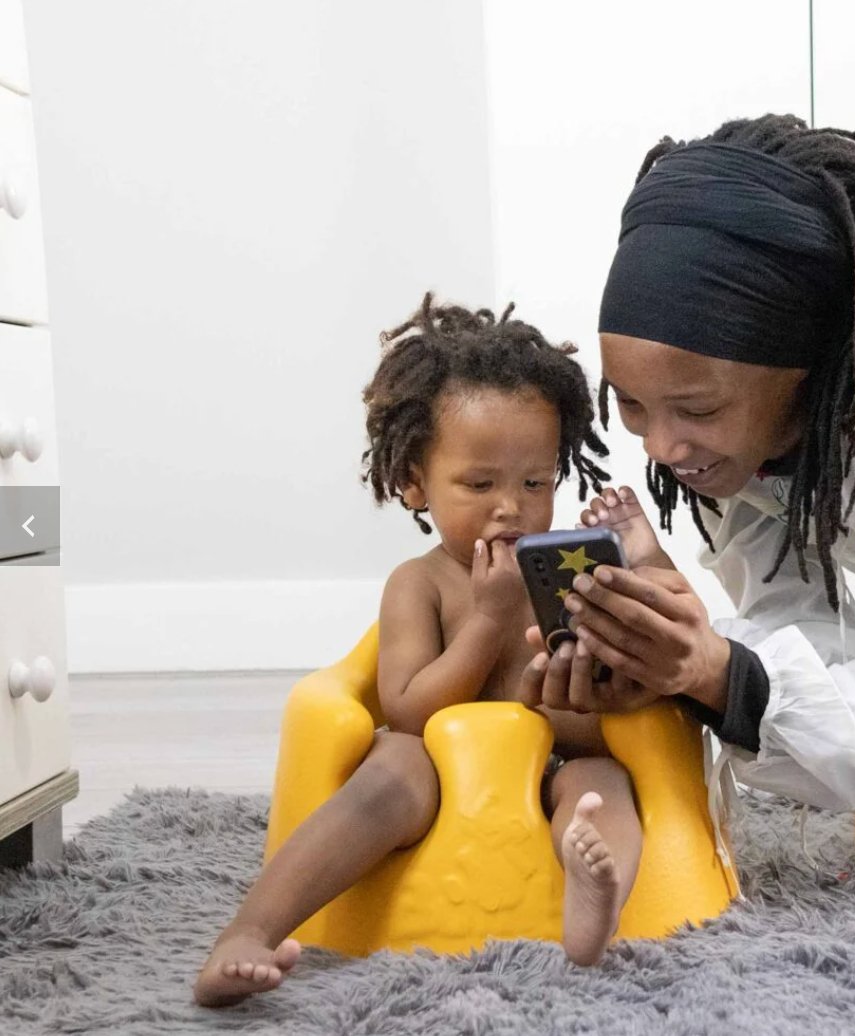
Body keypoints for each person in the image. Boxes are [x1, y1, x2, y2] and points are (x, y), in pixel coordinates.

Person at [522, 113, 855, 835]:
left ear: (807, 370)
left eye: (696, 409)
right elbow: (804, 631)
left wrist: (716, 674)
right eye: (635, 407)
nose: (665, 448)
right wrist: (692, 664)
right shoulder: (728, 439)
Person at [194, 294, 642, 1007]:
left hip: (547, 769)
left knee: (600, 782)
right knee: (390, 766)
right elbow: (408, 709)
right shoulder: (420, 584)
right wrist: (488, 622)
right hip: (431, 776)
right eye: (479, 484)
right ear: (413, 484)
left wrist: (579, 687)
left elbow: (602, 730)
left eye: (536, 482)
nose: (511, 507)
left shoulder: (563, 578)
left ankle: (593, 897)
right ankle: (251, 930)